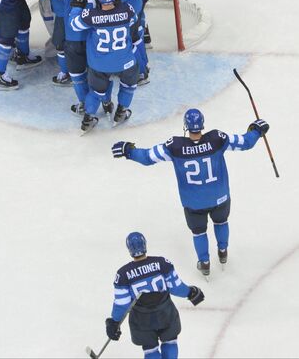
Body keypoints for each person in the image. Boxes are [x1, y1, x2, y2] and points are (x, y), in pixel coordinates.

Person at [111, 109, 270, 277]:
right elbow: (245, 142)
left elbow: (147, 157)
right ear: (202, 124)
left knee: (199, 232)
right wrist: (256, 130)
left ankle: (205, 263)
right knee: (221, 222)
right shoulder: (217, 139)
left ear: (186, 126)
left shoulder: (174, 146)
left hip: (193, 202)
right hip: (220, 197)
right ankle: (223, 252)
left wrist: (128, 150)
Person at [105, 232, 204, 359]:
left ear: (129, 249)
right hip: (166, 313)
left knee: (150, 348)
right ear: (145, 244)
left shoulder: (122, 274)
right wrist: (190, 292)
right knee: (170, 341)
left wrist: (114, 322)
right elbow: (176, 287)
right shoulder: (162, 263)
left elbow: (122, 303)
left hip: (142, 320)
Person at [69, 0, 139, 132]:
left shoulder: (91, 15)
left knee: (95, 92)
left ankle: (88, 119)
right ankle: (121, 112)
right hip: (125, 61)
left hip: (100, 65)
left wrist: (76, 6)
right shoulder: (127, 10)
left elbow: (74, 25)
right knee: (129, 86)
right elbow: (133, 21)